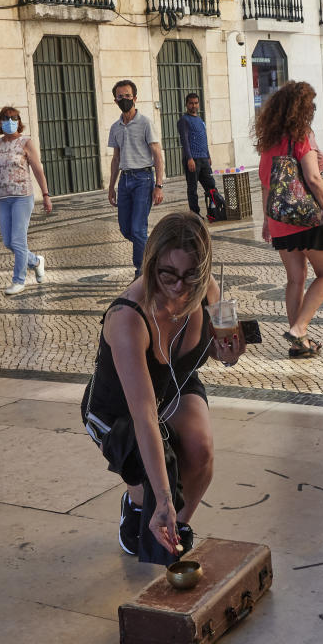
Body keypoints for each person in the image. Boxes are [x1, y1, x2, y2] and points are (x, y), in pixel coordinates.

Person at [81, 211, 243, 563]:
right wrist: (164, 496)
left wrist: (228, 352)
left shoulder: (206, 289)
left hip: (173, 388)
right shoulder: (127, 317)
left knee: (199, 451)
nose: (179, 286)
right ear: (151, 262)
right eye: (168, 273)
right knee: (157, 478)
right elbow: (143, 416)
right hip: (119, 409)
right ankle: (138, 507)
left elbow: (215, 348)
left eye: (190, 275)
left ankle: (174, 527)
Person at [256, 81, 323, 358]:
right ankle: (300, 328)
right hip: (307, 219)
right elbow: (314, 179)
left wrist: (267, 221)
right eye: (310, 104)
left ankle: (298, 344)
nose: (313, 109)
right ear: (301, 109)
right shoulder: (302, 136)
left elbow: (266, 184)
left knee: (295, 280)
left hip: (280, 221)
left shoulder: (268, 142)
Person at [0, 106, 52, 296]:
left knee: (18, 240)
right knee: (8, 242)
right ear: (0, 121)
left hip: (22, 197)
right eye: (6, 118)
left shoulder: (26, 142)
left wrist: (46, 195)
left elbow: (38, 170)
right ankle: (36, 261)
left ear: (19, 121)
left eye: (14, 118)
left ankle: (19, 280)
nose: (10, 121)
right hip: (4, 198)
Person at [107, 80, 165, 275]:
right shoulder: (115, 127)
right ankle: (154, 253)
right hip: (124, 180)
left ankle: (142, 271)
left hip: (143, 179)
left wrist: (159, 185)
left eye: (128, 96)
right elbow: (116, 159)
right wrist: (111, 187)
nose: (124, 100)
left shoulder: (145, 123)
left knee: (138, 228)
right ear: (115, 100)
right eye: (120, 97)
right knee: (126, 229)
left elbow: (157, 154)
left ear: (135, 98)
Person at [178, 92, 218, 219]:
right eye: (191, 103)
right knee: (193, 188)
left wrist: (208, 155)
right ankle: (195, 214)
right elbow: (184, 140)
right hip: (192, 160)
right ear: (186, 105)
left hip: (204, 159)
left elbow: (204, 139)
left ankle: (214, 211)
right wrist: (189, 158)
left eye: (196, 103)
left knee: (211, 186)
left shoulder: (200, 120)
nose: (193, 105)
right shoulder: (184, 120)